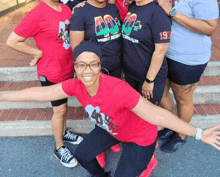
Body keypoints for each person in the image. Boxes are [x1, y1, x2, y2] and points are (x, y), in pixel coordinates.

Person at [1, 41, 220, 177]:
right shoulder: (75, 85)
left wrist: (198, 133)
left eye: (93, 64)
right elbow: (39, 93)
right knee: (83, 155)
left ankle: (148, 159)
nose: (87, 70)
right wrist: (4, 96)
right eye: (81, 64)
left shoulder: (117, 88)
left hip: (139, 137)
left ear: (100, 66)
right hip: (112, 128)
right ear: (75, 66)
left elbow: (156, 114)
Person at [6, 0, 83, 168]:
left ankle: (64, 132)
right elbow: (12, 41)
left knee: (63, 107)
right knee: (59, 110)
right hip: (51, 71)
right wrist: (36, 53)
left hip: (66, 67)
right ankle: (59, 148)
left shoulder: (64, 8)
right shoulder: (37, 13)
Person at [152, 0, 219, 153]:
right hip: (164, 52)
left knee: (183, 97)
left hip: (188, 57)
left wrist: (173, 12)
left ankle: (181, 134)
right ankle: (173, 124)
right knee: (162, 94)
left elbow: (210, 27)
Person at [70, 0, 122, 166]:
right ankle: (96, 147)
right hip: (96, 73)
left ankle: (108, 138)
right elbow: (76, 49)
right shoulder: (81, 13)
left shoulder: (113, 8)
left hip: (116, 67)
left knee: (112, 107)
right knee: (98, 110)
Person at [122, 0, 171, 176]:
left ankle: (149, 158)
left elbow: (160, 50)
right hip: (132, 75)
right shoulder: (133, 6)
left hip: (149, 78)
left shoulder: (157, 13)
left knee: (148, 119)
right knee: (137, 116)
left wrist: (149, 80)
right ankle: (141, 146)